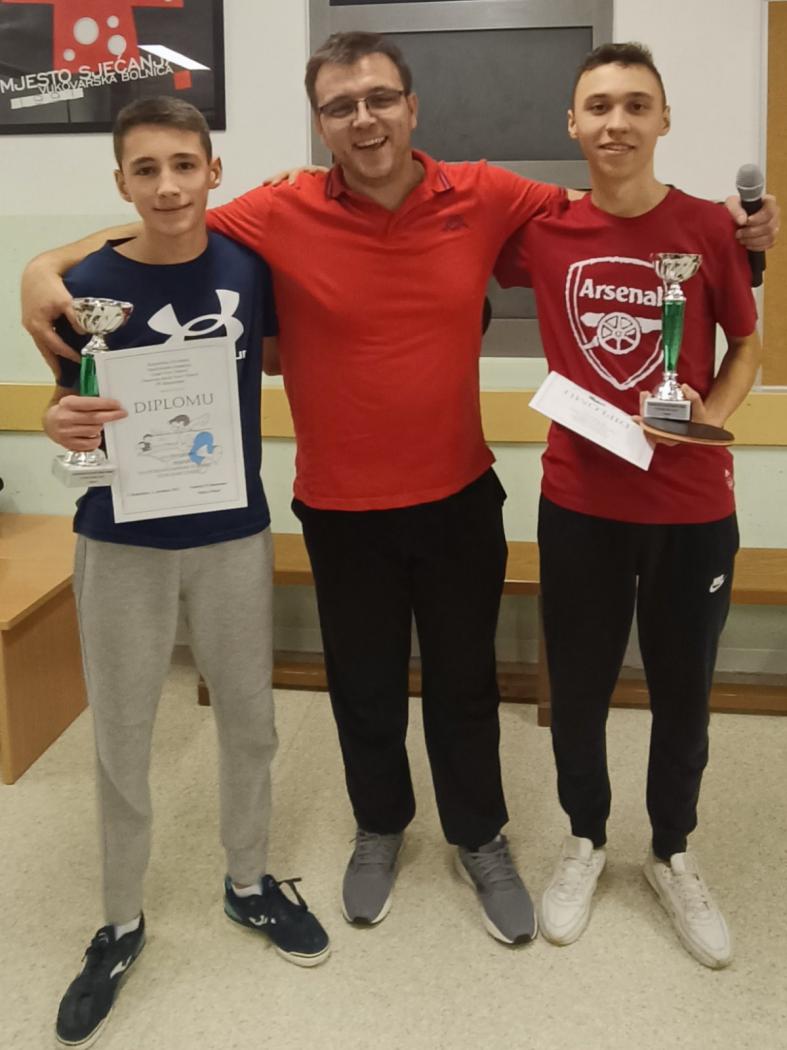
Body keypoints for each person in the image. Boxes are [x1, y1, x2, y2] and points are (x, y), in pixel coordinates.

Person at [20, 32, 778, 950]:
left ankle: (479, 837)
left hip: (458, 496)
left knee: (463, 686)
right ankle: (379, 826)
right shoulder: (279, 207)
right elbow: (165, 220)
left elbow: (617, 206)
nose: (363, 118)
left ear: (412, 108)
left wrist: (733, 226)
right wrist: (40, 266)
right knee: (364, 688)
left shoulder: (489, 194)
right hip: (338, 505)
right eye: (339, 106)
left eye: (379, 98)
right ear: (320, 123)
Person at [43, 97, 330, 1049]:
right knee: (122, 735)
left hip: (229, 533)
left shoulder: (249, 267)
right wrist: (56, 422)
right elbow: (68, 404)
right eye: (145, 169)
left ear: (212, 172)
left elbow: (290, 356)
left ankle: (248, 882)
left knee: (249, 720)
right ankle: (120, 920)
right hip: (119, 537)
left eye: (182, 165)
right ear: (120, 183)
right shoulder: (80, 285)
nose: (166, 186)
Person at [494, 43, 761, 968]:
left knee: (684, 693)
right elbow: (432, 230)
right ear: (572, 123)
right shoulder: (541, 231)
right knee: (578, 689)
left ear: (663, 120)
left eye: (636, 105)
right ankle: (584, 839)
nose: (617, 122)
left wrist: (707, 421)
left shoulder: (710, 229)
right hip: (580, 504)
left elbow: (745, 347)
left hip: (692, 510)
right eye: (599, 106)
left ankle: (672, 852)